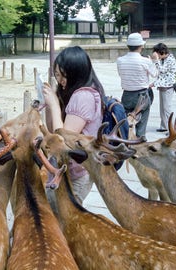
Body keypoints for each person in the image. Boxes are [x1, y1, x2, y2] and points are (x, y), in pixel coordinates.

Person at [42, 46, 105, 204]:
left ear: (76, 73)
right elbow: (52, 131)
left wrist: (55, 106)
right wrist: (50, 106)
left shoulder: (83, 96)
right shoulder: (74, 91)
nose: (59, 80)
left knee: (63, 221)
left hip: (76, 173)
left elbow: (61, 140)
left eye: (63, 75)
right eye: (56, 74)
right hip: (68, 169)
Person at [116, 32, 158, 139]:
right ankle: (140, 143)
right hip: (142, 95)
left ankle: (126, 142)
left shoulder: (120, 60)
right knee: (141, 126)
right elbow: (155, 74)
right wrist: (155, 61)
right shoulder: (145, 61)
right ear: (141, 46)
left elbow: (121, 74)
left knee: (125, 124)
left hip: (126, 95)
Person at [150, 43, 176, 133]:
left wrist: (156, 60)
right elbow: (160, 74)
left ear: (161, 52)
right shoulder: (163, 59)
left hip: (168, 86)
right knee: (162, 108)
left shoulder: (170, 59)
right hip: (162, 85)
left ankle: (171, 128)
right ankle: (164, 126)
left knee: (167, 108)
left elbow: (162, 70)